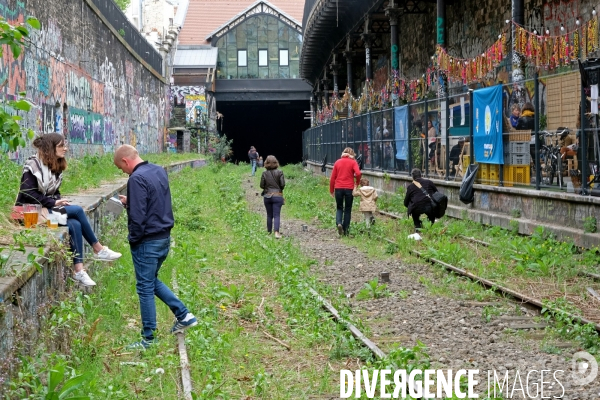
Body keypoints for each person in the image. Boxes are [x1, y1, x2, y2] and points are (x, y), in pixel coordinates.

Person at [113, 145, 197, 349]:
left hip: (147, 241)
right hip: (163, 237)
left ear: (126, 161)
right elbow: (155, 202)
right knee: (150, 281)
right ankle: (184, 315)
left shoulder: (135, 178)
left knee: (144, 287)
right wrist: (130, 202)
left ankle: (148, 339)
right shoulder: (158, 170)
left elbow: (139, 216)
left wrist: (134, 239)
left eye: (120, 168)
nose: (122, 172)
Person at [16, 133, 121, 287]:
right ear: (50, 148)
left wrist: (57, 200)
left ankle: (78, 270)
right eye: (61, 146)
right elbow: (27, 193)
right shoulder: (33, 165)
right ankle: (98, 249)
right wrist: (53, 202)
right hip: (30, 215)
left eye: (65, 145)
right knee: (77, 210)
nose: (65, 149)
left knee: (75, 225)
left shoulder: (54, 166)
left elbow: (52, 192)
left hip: (46, 214)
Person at [330, 147, 361, 236]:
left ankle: (339, 223)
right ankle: (345, 230)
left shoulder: (337, 162)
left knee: (339, 207)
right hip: (349, 188)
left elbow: (333, 178)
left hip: (338, 188)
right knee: (348, 209)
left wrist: (331, 190)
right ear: (352, 154)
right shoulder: (353, 162)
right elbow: (358, 173)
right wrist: (357, 182)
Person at [259, 155, 285, 239]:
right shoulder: (280, 172)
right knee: (277, 215)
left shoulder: (264, 173)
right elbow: (283, 184)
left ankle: (269, 233)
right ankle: (276, 233)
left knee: (269, 215)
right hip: (277, 196)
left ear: (266, 163)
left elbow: (262, 185)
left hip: (267, 196)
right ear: (276, 162)